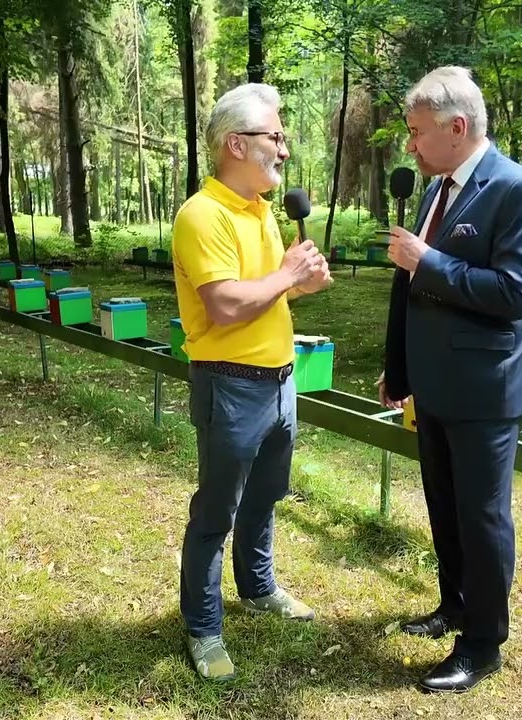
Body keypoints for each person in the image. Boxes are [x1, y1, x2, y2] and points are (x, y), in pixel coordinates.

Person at [378, 66, 522, 693]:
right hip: (435, 383)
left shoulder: (516, 189)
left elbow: (514, 294)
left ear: (457, 127)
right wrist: (399, 369)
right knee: (445, 508)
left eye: (418, 132)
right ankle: (454, 605)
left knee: (481, 516)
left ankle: (482, 642)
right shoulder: (436, 190)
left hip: (487, 387)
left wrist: (432, 261)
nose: (410, 144)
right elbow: (410, 289)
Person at [171, 82, 332, 682]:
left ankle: (258, 587)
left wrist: (299, 283)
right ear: (236, 144)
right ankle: (204, 628)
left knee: (265, 497)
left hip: (280, 382)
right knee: (217, 512)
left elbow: (267, 295)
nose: (284, 150)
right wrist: (287, 275)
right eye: (276, 136)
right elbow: (226, 306)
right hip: (230, 385)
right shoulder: (202, 214)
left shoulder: (262, 209)